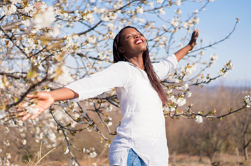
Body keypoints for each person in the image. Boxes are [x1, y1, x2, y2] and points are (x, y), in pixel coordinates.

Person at [18, 26, 199, 166]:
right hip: (132, 153)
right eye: (129, 36)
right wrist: (53, 95)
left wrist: (190, 46)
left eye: (138, 34)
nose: (136, 36)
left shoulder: (153, 73)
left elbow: (171, 62)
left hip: (156, 156)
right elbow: (91, 83)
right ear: (121, 49)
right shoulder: (124, 69)